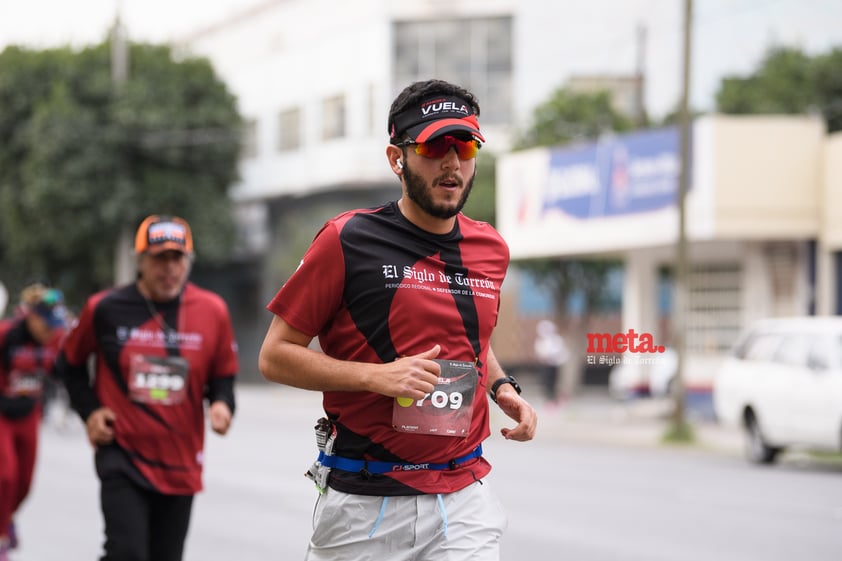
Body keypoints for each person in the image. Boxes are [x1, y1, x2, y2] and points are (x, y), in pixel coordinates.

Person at [258, 79, 538, 561]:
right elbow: (274, 357)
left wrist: (502, 389)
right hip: (366, 503)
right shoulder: (347, 239)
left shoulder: (491, 248)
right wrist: (377, 377)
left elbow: (473, 337)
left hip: (463, 494)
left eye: (465, 145)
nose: (452, 162)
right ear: (398, 158)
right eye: (434, 147)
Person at [56, 215, 238, 561]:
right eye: (159, 258)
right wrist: (90, 411)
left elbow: (222, 376)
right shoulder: (105, 309)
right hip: (122, 451)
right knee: (127, 552)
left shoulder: (212, 311)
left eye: (177, 258)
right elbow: (68, 364)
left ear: (189, 260)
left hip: (180, 459)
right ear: (139, 260)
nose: (169, 269)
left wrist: (222, 404)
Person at [0, 283, 68, 561]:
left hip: (29, 413)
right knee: (5, 475)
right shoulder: (7, 335)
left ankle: (7, 518)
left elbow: (67, 369)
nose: (50, 330)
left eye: (55, 324)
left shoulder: (57, 338)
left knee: (25, 482)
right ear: (31, 316)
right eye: (45, 323)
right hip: (2, 414)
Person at [533, 319, 569, 404]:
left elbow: (561, 352)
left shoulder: (556, 340)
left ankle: (556, 399)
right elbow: (540, 353)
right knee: (547, 383)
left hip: (555, 365)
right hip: (546, 366)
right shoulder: (541, 341)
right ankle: (549, 400)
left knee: (555, 382)